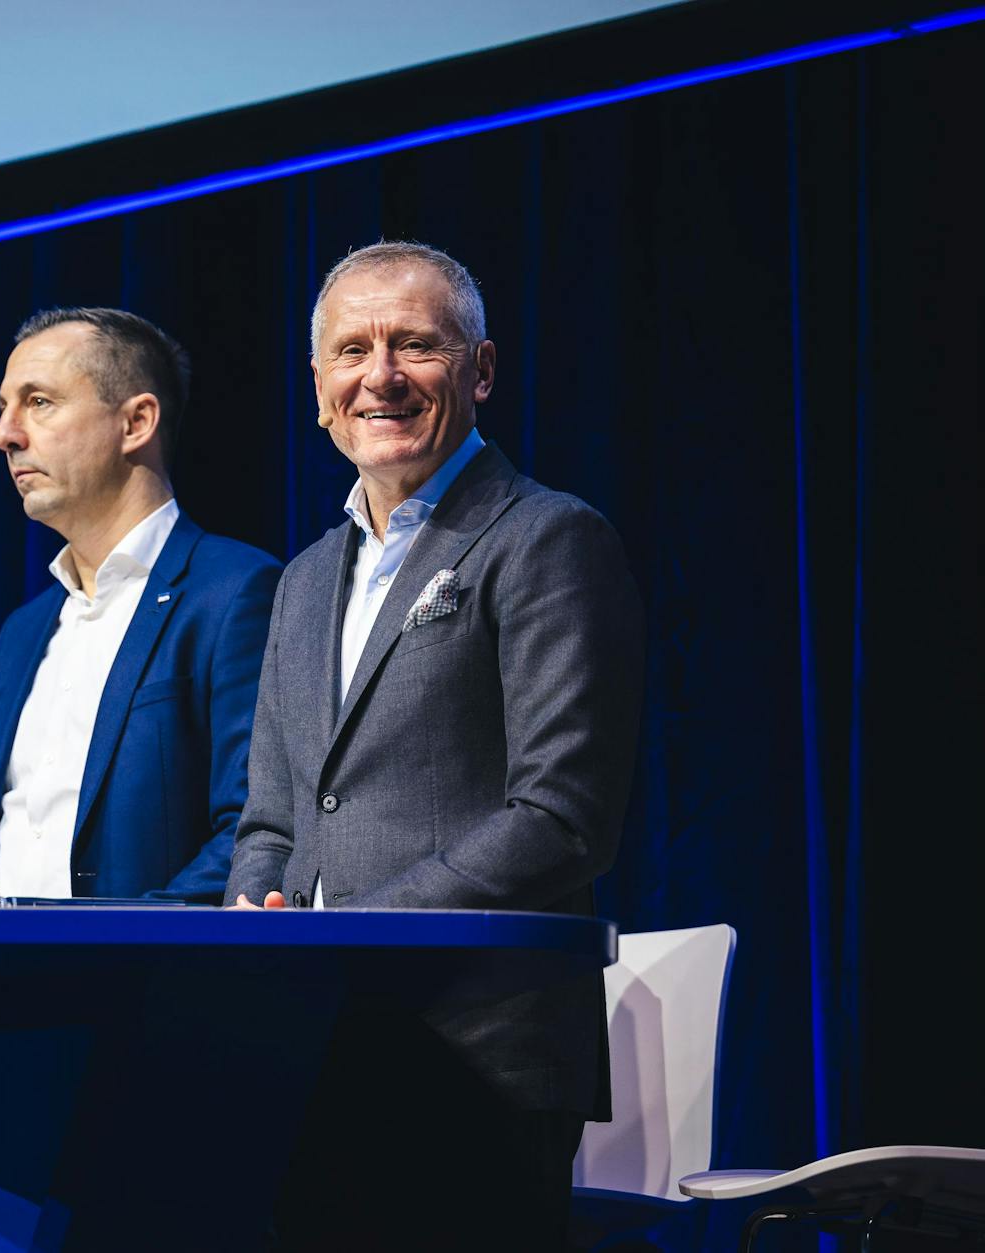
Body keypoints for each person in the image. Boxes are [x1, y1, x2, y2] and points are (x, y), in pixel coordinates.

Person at [225, 242, 644, 1248]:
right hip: (314, 1052)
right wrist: (250, 933)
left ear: (480, 370)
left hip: (473, 1059)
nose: (380, 376)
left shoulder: (544, 536)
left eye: (415, 344)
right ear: (319, 386)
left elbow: (559, 817)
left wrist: (349, 938)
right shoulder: (303, 577)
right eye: (350, 350)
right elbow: (273, 817)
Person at [0, 308, 279, 905]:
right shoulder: (23, 631)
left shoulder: (236, 591)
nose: (5, 435)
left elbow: (254, 830)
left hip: (136, 982)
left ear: (137, 422)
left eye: (38, 402)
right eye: (3, 406)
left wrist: (108, 957)